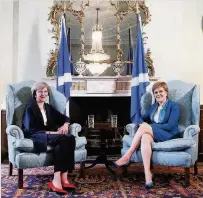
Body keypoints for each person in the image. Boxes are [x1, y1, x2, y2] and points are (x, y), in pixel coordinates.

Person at [114, 81, 180, 188]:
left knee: (145, 127)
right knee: (144, 136)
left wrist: (150, 127)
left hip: (169, 134)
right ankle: (147, 175)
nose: (158, 94)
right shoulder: (154, 107)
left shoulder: (174, 106)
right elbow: (142, 117)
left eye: (160, 91)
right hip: (154, 133)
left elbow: (171, 126)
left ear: (166, 92)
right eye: (155, 92)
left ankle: (128, 155)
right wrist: (143, 123)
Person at [22, 82, 76, 194]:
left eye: (45, 91)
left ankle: (64, 178)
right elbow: (30, 129)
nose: (43, 94)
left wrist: (65, 125)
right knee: (62, 138)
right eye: (40, 91)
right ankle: (56, 179)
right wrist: (53, 132)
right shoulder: (30, 107)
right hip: (36, 135)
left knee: (70, 137)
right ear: (35, 93)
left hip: (49, 134)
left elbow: (65, 118)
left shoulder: (48, 107)